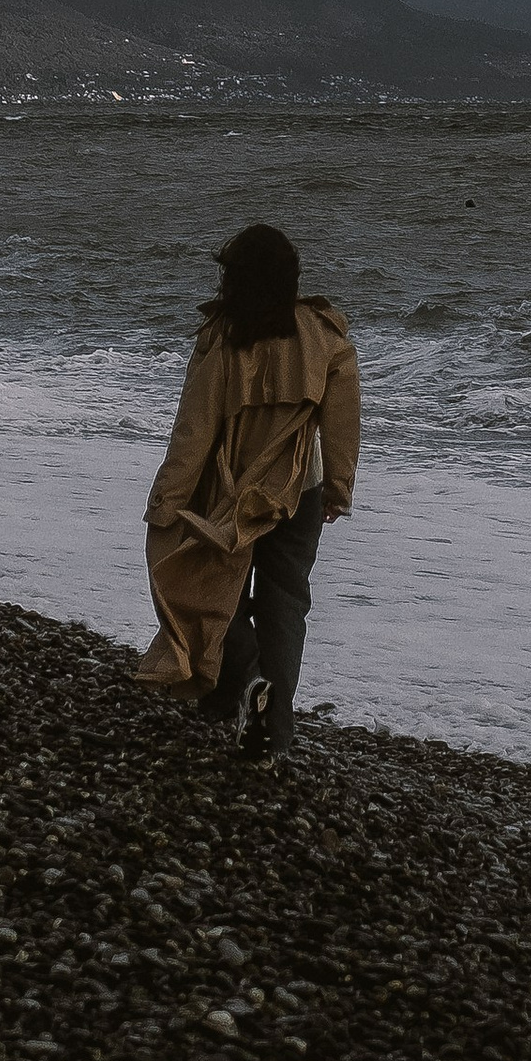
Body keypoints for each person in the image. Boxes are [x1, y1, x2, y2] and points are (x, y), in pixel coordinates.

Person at [137, 222, 359, 761]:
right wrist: (338, 485)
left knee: (209, 589)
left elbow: (194, 430)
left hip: (231, 490)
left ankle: (247, 680)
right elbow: (343, 418)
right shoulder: (324, 333)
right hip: (299, 489)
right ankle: (272, 730)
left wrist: (167, 498)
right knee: (286, 605)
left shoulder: (222, 338)